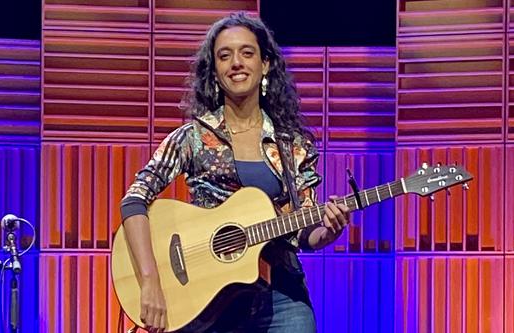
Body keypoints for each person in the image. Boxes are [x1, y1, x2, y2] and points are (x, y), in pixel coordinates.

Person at [120, 12, 350, 333]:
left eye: (247, 52)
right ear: (215, 71)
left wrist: (329, 231)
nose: (236, 63)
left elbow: (304, 231)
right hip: (207, 298)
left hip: (280, 296)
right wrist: (150, 282)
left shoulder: (292, 145)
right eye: (224, 56)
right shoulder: (194, 137)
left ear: (265, 64)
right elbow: (134, 201)